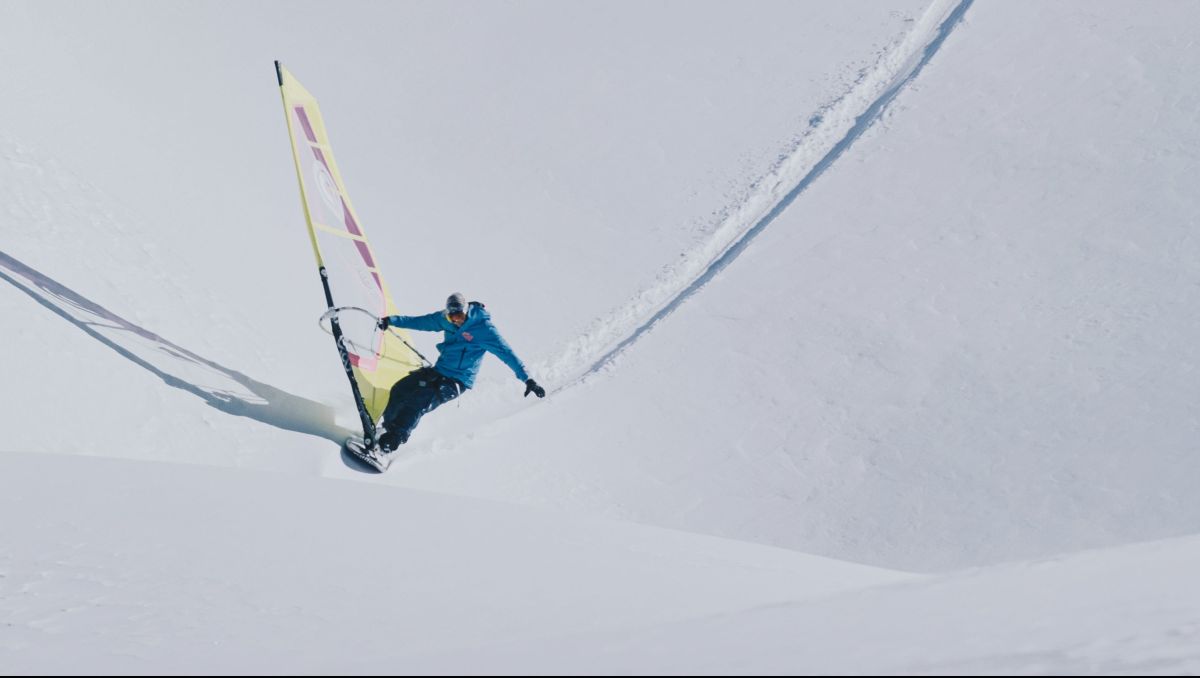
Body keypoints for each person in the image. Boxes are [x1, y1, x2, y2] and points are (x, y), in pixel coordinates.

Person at [373, 292, 545, 452]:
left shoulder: (484, 330)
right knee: (400, 389)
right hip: (439, 371)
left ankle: (392, 441)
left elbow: (508, 354)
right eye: (452, 316)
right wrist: (391, 321)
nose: (456, 321)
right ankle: (386, 429)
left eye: (460, 316)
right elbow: (420, 322)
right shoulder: (444, 319)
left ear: (466, 311)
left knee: (418, 402)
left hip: (456, 381)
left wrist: (528, 379)